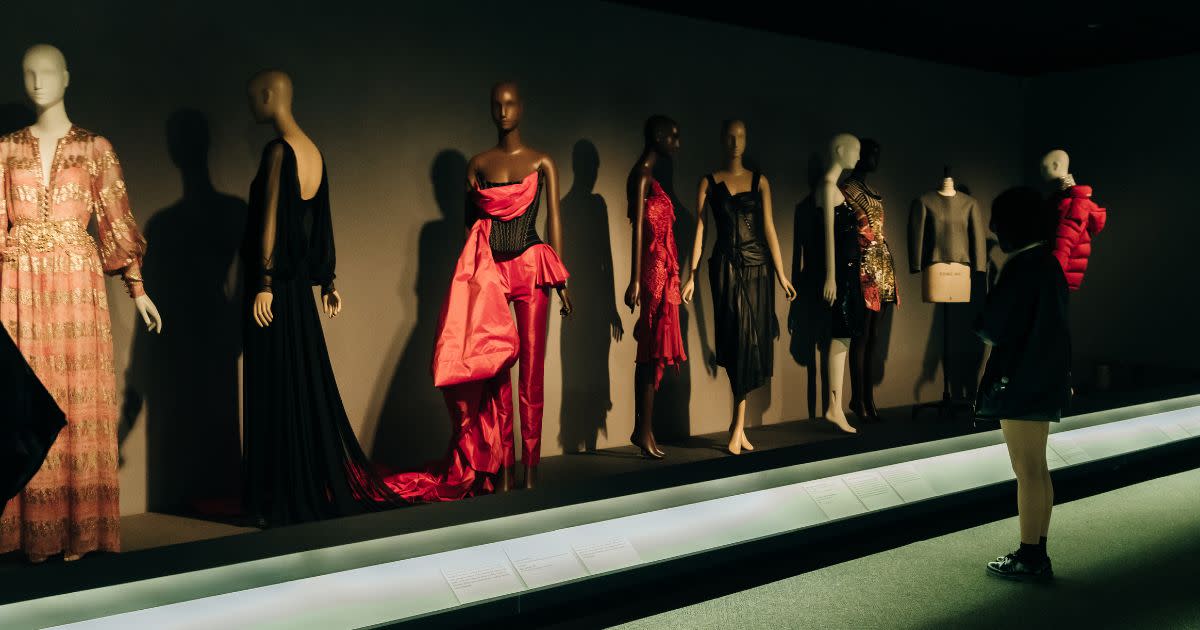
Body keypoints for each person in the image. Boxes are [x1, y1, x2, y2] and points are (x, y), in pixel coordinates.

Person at [975, 186, 1071, 581]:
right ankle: (1036, 550)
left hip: (1019, 380)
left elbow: (989, 328)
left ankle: (1031, 556)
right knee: (1039, 469)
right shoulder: (1050, 265)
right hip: (1045, 378)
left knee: (1027, 470)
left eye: (997, 220)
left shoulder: (1021, 267)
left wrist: (991, 277)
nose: (994, 228)